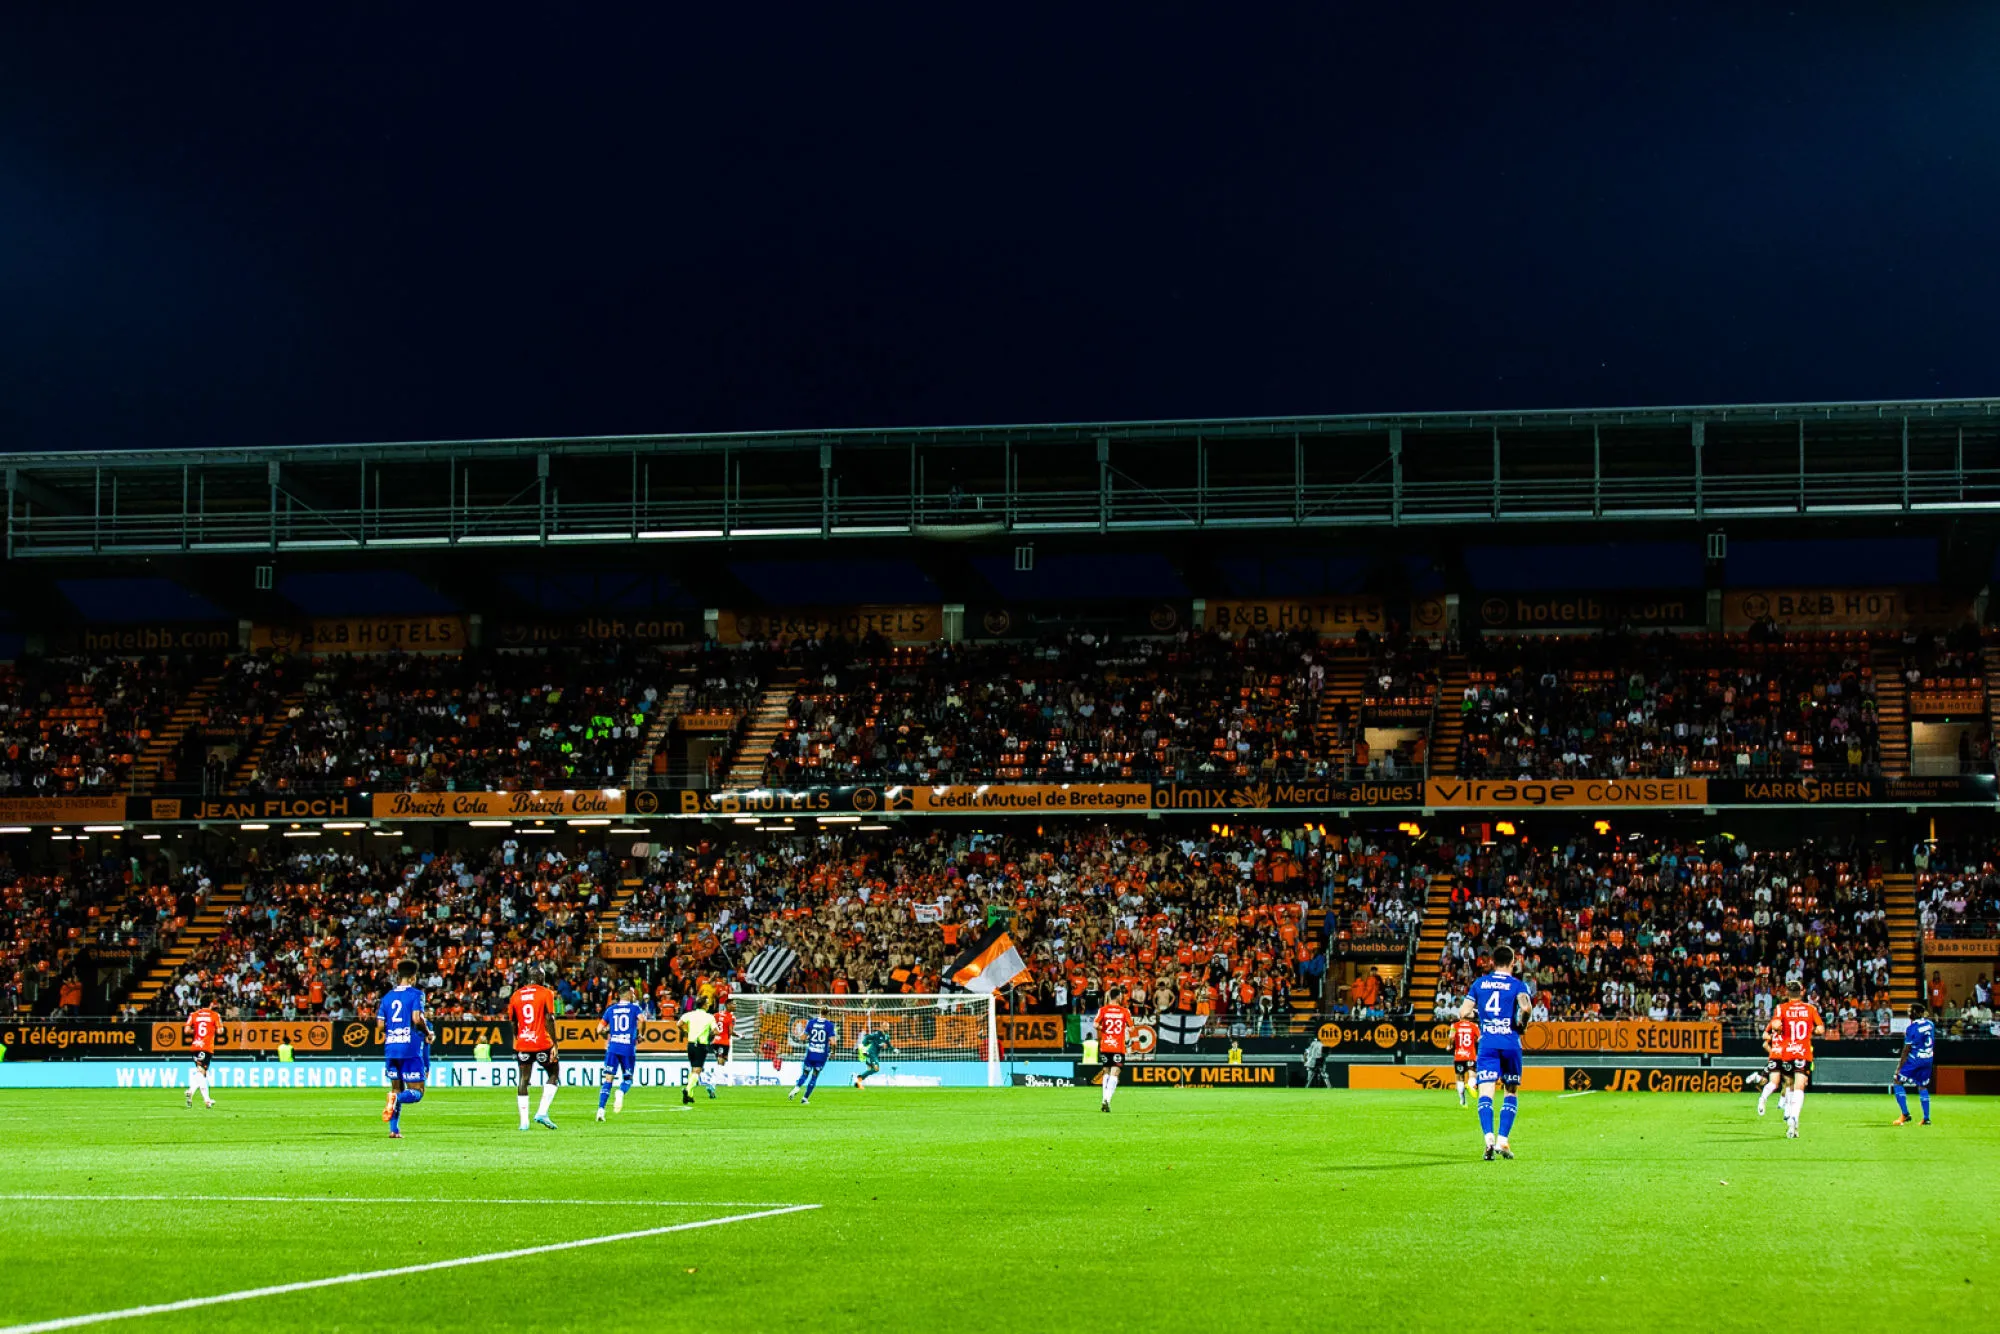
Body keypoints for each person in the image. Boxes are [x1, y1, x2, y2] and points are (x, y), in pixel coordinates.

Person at [1458, 943, 1532, 1160]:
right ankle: (1503, 1141)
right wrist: (1523, 1024)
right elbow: (1526, 1008)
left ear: (1492, 962)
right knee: (1510, 1091)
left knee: (1486, 1093)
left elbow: (1464, 1012)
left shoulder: (1480, 983)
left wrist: (1482, 1017)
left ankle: (1488, 1138)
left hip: (1488, 1043)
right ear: (1513, 963)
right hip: (1510, 1043)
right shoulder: (1518, 985)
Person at [378, 960, 432, 1139]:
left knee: (396, 1087)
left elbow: (379, 1025)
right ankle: (395, 1100)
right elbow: (417, 1019)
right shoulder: (417, 994)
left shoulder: (386, 997)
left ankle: (394, 1130)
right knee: (417, 1092)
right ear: (413, 977)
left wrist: (393, 1031)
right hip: (410, 1047)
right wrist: (427, 1032)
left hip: (391, 1047)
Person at [1769, 983, 1825, 1140]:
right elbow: (1821, 1029)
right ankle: (1794, 1117)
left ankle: (1788, 1113)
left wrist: (1780, 1028)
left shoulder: (1781, 1008)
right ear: (1802, 992)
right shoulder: (1810, 1008)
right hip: (1803, 1052)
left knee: (1789, 1085)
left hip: (1787, 1053)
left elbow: (1775, 1025)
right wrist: (1812, 1030)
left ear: (1787, 992)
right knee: (1800, 1087)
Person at [509, 965, 562, 1130]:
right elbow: (549, 1018)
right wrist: (555, 1042)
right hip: (542, 1042)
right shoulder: (546, 993)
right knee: (553, 1073)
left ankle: (523, 1122)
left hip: (523, 1042)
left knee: (523, 1079)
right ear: (540, 978)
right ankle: (542, 1112)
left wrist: (518, 1038)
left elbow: (512, 1021)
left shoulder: (516, 995)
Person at [595, 983, 648, 1122]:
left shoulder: (610, 1009)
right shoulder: (634, 1008)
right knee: (628, 1079)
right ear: (629, 995)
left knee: (608, 1080)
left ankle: (601, 1110)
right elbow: (642, 1020)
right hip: (628, 1048)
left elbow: (599, 1030)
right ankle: (620, 1092)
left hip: (613, 1048)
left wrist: (607, 1032)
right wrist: (641, 1034)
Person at [1892, 1001, 1936, 1127]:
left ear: (1915, 1013)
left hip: (1915, 1059)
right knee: (1922, 1086)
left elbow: (1907, 1049)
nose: (1909, 1013)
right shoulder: (1930, 1024)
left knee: (1897, 1080)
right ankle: (1926, 1118)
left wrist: (1899, 1067)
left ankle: (1905, 1114)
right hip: (1927, 1058)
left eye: (1910, 1011)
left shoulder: (1911, 1028)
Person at [788, 1002, 835, 1105]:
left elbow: (803, 1038)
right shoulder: (829, 1025)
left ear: (819, 1012)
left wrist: (807, 1038)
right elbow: (833, 1042)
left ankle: (796, 1088)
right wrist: (833, 1052)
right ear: (828, 1014)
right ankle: (805, 1098)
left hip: (810, 1053)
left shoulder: (811, 1023)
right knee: (814, 1076)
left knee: (805, 1074)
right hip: (821, 1055)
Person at [1095, 986, 1132, 1113]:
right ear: (1118, 997)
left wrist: (1104, 1029)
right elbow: (1131, 1028)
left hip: (1106, 1044)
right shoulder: (1124, 1011)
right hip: (1118, 1045)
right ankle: (1107, 1100)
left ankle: (1103, 1100)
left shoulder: (1103, 1010)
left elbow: (1095, 1024)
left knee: (1106, 1071)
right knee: (1115, 1073)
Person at [183, 997, 222, 1110]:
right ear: (210, 1004)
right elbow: (220, 1031)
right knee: (201, 1073)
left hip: (195, 1045)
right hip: (206, 1047)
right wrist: (213, 1029)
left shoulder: (194, 1015)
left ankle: (207, 1100)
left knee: (202, 1074)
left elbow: (186, 1030)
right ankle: (191, 1091)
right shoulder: (214, 1015)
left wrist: (195, 1031)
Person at [681, 999, 718, 1106]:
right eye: (707, 1003)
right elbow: (716, 1031)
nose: (708, 1005)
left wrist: (686, 1031)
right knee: (697, 1070)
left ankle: (690, 1095)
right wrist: (708, 1035)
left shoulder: (689, 1014)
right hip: (700, 1045)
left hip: (690, 1044)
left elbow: (679, 1024)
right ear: (704, 1005)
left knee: (693, 1069)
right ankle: (687, 1089)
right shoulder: (709, 1017)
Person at [1753, 1008, 1784, 1117]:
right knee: (1789, 1083)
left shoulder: (1774, 1029)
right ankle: (1786, 1109)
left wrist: (1773, 1051)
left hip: (1774, 1057)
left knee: (1773, 1082)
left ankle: (1763, 1098)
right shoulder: (1788, 1026)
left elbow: (1764, 1039)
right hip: (1784, 1056)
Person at [1450, 1010, 1480, 1108]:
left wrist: (1449, 1045)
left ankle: (1463, 1101)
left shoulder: (1455, 1026)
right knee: (1472, 1074)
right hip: (1470, 1054)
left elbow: (1451, 1037)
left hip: (1459, 1055)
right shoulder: (1474, 1026)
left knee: (1460, 1078)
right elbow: (1480, 1038)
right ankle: (1470, 1085)